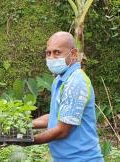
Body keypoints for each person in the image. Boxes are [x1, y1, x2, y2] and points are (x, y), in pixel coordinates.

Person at [32, 31, 103, 162]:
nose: (52, 57)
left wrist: (29, 140)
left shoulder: (76, 81)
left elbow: (62, 130)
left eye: (57, 52)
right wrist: (24, 124)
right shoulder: (60, 79)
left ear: (74, 53)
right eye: (48, 53)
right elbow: (55, 116)